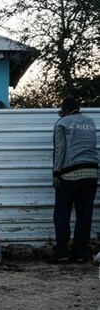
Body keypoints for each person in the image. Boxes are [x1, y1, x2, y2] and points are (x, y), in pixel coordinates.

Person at [51, 95, 98, 263]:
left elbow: (60, 150)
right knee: (84, 215)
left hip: (70, 174)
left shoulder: (62, 123)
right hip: (91, 173)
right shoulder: (90, 122)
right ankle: (80, 253)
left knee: (62, 214)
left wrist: (56, 173)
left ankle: (62, 253)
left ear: (64, 110)